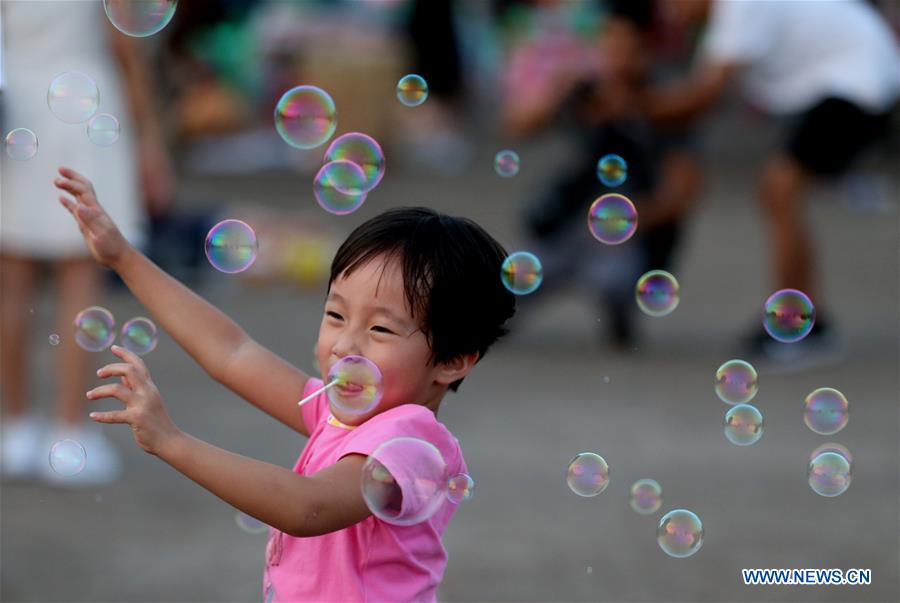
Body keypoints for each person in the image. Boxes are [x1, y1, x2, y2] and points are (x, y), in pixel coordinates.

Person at [53, 166, 516, 601]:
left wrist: (172, 442)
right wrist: (125, 257)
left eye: (381, 330)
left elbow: (307, 507)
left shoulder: (412, 441)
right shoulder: (343, 412)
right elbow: (231, 352)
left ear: (453, 360)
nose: (345, 345)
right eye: (335, 315)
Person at [648, 0, 899, 360]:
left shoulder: (739, 7)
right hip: (855, 79)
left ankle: (801, 327)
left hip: (861, 83)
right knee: (779, 191)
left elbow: (702, 97)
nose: (668, 9)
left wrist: (633, 107)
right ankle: (805, 319)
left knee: (779, 189)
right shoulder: (728, 18)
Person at [0, 1, 173, 485]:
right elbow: (125, 44)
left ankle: (14, 428)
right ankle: (69, 433)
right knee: (81, 277)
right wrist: (152, 140)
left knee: (11, 281)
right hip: (85, 108)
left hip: (15, 109)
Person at [503, 0, 701, 346]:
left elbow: (681, 191)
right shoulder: (585, 91)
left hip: (628, 236)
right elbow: (517, 126)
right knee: (511, 286)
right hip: (570, 221)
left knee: (613, 275)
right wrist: (559, 89)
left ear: (647, 50)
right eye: (608, 43)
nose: (616, 54)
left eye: (626, 45)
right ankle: (503, 317)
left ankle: (619, 308)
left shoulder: (667, 104)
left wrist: (621, 222)